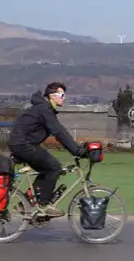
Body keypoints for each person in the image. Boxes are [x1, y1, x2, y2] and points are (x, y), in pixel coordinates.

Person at [8, 82, 88, 217]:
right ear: (52, 96)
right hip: (23, 145)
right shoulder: (44, 109)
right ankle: (44, 205)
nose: (64, 98)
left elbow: (59, 132)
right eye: (62, 95)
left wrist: (76, 148)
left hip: (22, 144)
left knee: (47, 169)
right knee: (54, 167)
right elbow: (59, 132)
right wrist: (77, 151)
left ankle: (25, 204)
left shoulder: (45, 109)